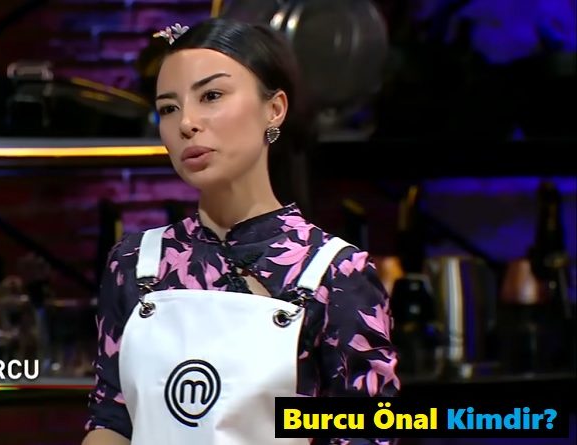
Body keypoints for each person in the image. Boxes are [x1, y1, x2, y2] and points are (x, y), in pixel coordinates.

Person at [82, 18, 399, 445]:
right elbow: (112, 420)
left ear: (275, 109)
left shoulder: (335, 275)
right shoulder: (135, 264)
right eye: (169, 108)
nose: (186, 123)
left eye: (211, 96)